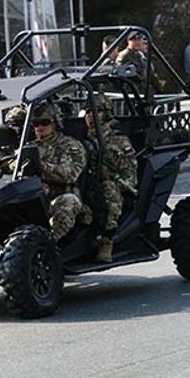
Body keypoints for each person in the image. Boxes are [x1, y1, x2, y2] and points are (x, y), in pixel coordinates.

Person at [84, 98, 137, 262]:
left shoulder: (118, 141)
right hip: (87, 184)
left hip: (114, 187)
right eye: (87, 112)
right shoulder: (81, 140)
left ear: (106, 114)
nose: (90, 116)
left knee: (108, 191)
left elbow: (130, 175)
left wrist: (111, 178)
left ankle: (107, 240)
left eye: (96, 111)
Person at [32, 102, 88, 240]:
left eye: (44, 123)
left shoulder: (70, 145)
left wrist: (45, 167)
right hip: (35, 197)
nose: (39, 127)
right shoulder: (29, 148)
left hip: (61, 197)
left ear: (55, 123)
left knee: (69, 201)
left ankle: (50, 244)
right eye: (35, 124)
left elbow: (71, 174)